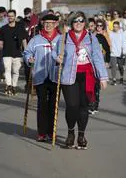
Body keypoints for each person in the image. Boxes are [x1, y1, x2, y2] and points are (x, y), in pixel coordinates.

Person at [53, 11, 108, 149]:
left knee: (84, 106)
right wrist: (57, 58)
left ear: (85, 23)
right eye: (76, 21)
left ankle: (81, 136)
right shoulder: (64, 37)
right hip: (69, 76)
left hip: (87, 75)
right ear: (72, 23)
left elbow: (97, 57)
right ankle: (71, 132)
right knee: (72, 105)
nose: (78, 23)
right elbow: (56, 52)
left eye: (81, 21)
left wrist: (103, 77)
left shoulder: (91, 37)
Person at [24, 14, 60, 141]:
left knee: (53, 105)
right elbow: (27, 52)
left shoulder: (61, 39)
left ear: (56, 24)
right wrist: (29, 58)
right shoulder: (36, 39)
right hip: (40, 76)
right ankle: (42, 133)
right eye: (46, 23)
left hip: (56, 76)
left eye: (51, 23)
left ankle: (51, 132)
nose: (48, 25)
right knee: (42, 104)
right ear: (42, 24)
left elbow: (67, 54)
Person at [0, 9, 28, 95]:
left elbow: (24, 40)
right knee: (7, 69)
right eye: (9, 16)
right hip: (6, 52)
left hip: (17, 53)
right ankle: (9, 85)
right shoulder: (4, 28)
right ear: (7, 17)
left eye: (12, 16)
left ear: (15, 16)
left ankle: (14, 86)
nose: (10, 18)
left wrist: (27, 51)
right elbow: (0, 41)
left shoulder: (20, 27)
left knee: (16, 71)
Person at [89, 19, 111, 114]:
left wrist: (107, 61)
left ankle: (95, 104)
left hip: (99, 63)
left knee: (96, 86)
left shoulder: (101, 37)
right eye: (94, 26)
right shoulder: (87, 37)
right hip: (89, 64)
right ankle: (91, 105)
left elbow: (108, 49)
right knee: (90, 85)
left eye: (98, 26)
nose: (97, 28)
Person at [109, 21, 126, 85]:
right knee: (113, 66)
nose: (115, 28)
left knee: (120, 66)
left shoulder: (122, 34)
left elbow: (124, 43)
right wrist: (110, 50)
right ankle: (114, 79)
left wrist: (124, 52)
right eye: (114, 27)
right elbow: (109, 42)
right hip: (113, 53)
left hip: (120, 53)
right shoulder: (110, 33)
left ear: (119, 27)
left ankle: (121, 77)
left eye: (116, 27)